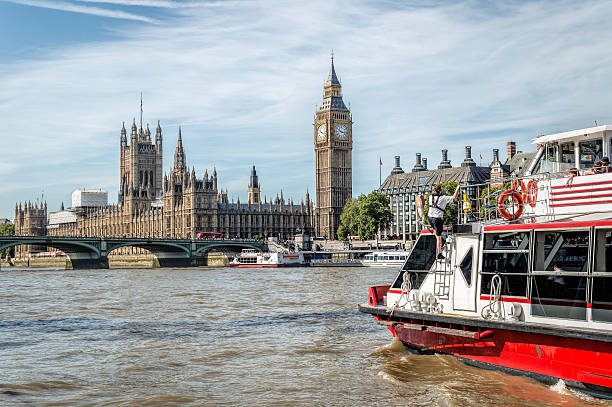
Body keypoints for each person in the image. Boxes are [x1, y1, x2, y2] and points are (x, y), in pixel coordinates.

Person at [427, 184, 460, 259]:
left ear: (434, 190)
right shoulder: (443, 198)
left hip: (429, 218)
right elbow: (454, 197)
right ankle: (439, 254)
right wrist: (457, 189)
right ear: (441, 191)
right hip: (437, 219)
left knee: (435, 231)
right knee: (439, 237)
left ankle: (435, 233)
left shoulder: (430, 197)